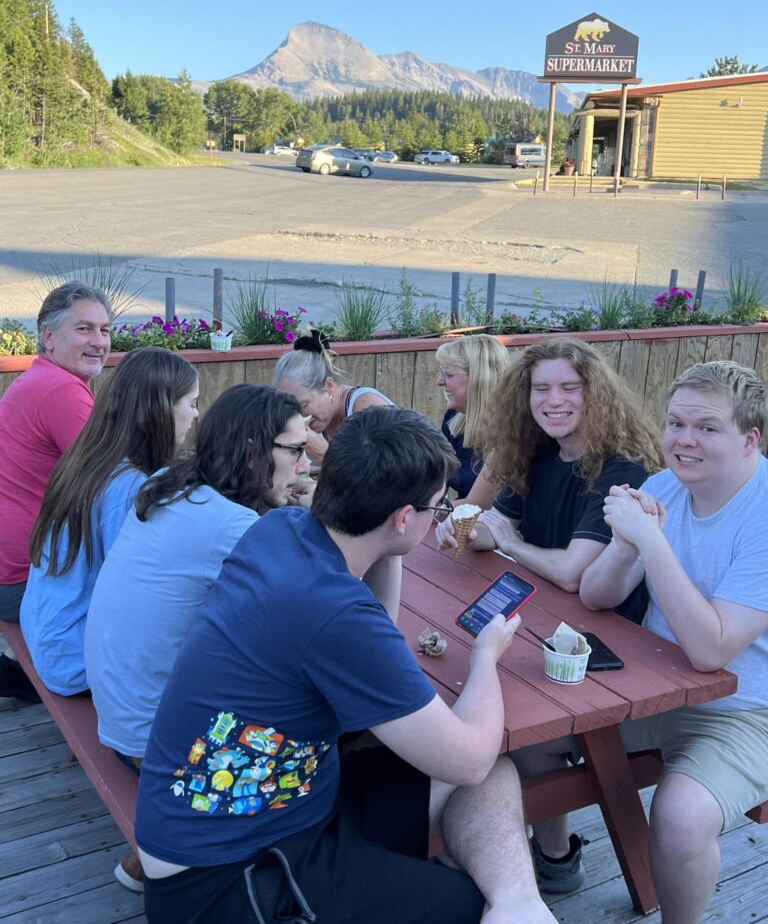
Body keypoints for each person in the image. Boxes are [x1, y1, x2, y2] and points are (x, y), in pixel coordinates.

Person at [134, 407, 557, 924]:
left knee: (495, 774)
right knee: (468, 891)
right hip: (228, 877)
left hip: (287, 807)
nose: (438, 516)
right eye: (435, 508)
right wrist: (486, 657)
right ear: (405, 516)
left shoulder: (284, 530)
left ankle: (520, 905)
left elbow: (378, 634)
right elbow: (465, 757)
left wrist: (392, 543)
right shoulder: (331, 611)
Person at [436, 336, 663, 893]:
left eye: (568, 387)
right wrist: (465, 526)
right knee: (459, 680)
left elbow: (573, 573)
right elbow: (492, 528)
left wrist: (507, 540)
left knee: (509, 725)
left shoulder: (619, 468)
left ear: (596, 394)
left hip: (610, 649)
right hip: (541, 622)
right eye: (542, 389)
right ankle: (542, 853)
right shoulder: (536, 452)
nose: (553, 400)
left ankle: (551, 857)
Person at [580, 361, 768, 924]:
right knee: (532, 741)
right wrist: (622, 545)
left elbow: (713, 651)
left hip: (747, 710)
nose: (685, 440)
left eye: (707, 428)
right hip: (655, 690)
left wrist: (651, 544)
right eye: (676, 423)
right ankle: (555, 859)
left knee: (681, 819)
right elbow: (596, 596)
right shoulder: (666, 485)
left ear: (749, 438)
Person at [86, 383, 311, 764]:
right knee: (323, 710)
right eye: (297, 451)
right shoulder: (230, 524)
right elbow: (323, 618)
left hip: (122, 716)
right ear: (254, 451)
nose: (305, 466)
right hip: (159, 745)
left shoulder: (173, 485)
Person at [20, 347, 199, 698]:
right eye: (191, 403)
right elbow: (137, 594)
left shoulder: (90, 457)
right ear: (160, 410)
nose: (195, 415)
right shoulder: (129, 486)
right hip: (73, 659)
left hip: (46, 632)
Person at [0, 281, 112, 702]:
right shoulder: (61, 391)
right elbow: (115, 481)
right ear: (48, 336)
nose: (99, 342)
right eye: (84, 329)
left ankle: (24, 676)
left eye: (104, 330)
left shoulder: (40, 380)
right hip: (23, 581)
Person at [272, 328, 393, 465]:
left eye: (304, 405)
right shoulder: (321, 422)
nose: (299, 416)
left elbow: (383, 478)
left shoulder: (368, 410)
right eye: (291, 409)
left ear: (329, 387)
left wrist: (324, 455)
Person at [435, 334, 509, 504]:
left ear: (479, 379)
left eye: (448, 375)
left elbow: (480, 505)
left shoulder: (511, 431)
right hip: (459, 521)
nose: (440, 381)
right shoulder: (454, 419)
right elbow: (435, 481)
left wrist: (424, 513)